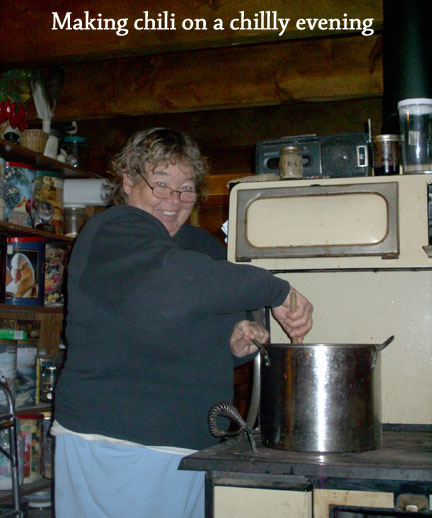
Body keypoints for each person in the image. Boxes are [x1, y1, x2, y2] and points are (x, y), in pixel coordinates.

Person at [52, 128, 313, 518]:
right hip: (116, 442)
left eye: (186, 188)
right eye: (160, 185)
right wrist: (275, 290)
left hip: (193, 442)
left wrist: (235, 343)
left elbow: (205, 321)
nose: (174, 201)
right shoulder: (113, 231)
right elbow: (170, 290)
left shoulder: (201, 247)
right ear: (127, 181)